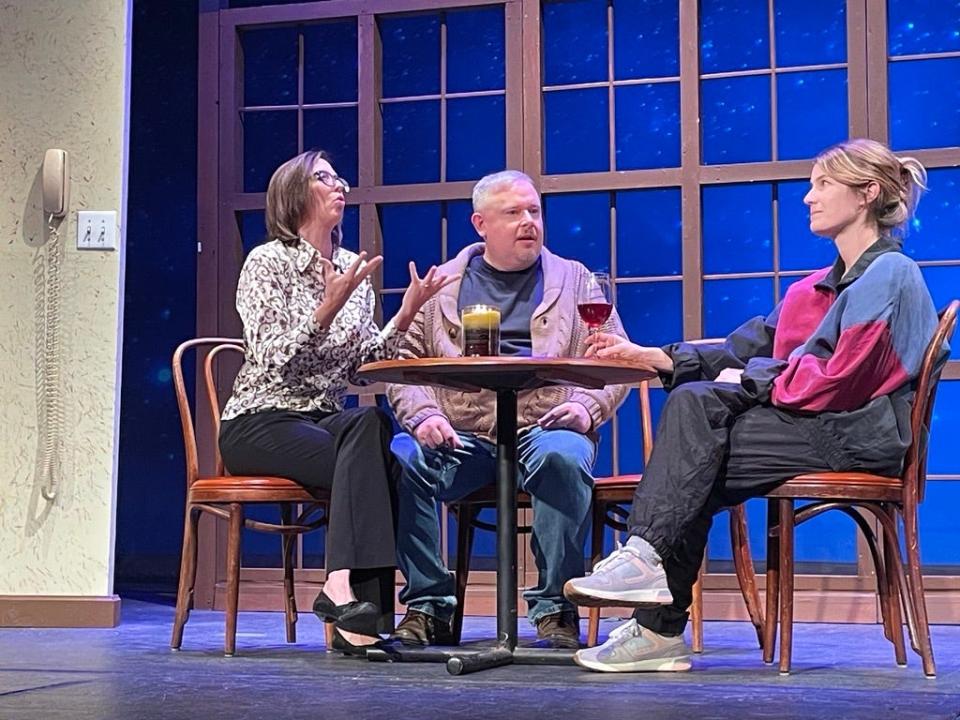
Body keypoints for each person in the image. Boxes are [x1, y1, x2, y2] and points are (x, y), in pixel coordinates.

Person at [564, 138, 945, 672]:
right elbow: (742, 348)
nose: (808, 198)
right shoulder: (814, 289)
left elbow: (840, 379)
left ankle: (654, 608)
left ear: (867, 194)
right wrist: (652, 356)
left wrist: (748, 379)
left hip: (857, 433)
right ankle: (652, 600)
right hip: (813, 427)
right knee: (692, 455)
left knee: (692, 439)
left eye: (822, 184)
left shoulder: (891, 274)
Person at [218, 150, 457, 655]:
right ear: (294, 194)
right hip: (260, 421)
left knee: (370, 422)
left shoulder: (353, 269)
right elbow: (270, 356)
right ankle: (357, 616)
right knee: (372, 455)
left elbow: (360, 368)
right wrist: (326, 308)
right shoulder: (267, 263)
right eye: (324, 177)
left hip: (324, 422)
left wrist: (405, 316)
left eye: (339, 177)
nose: (339, 185)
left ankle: (348, 601)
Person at [387, 170, 630, 649]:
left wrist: (585, 408)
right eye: (513, 213)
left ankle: (556, 607)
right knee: (400, 455)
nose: (528, 223)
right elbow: (401, 364)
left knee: (563, 455)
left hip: (544, 424)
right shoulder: (442, 286)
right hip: (463, 433)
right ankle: (428, 605)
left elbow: (613, 354)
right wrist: (424, 417)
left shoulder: (575, 279)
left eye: (534, 211)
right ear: (480, 223)